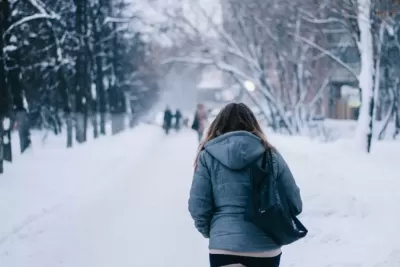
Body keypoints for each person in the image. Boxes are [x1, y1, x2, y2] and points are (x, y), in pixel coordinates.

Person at [188, 103, 303, 267]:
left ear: (218, 125)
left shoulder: (207, 156)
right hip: (266, 248)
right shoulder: (270, 155)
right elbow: (295, 204)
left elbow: (198, 207)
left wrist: (216, 231)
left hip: (224, 247)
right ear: (254, 125)